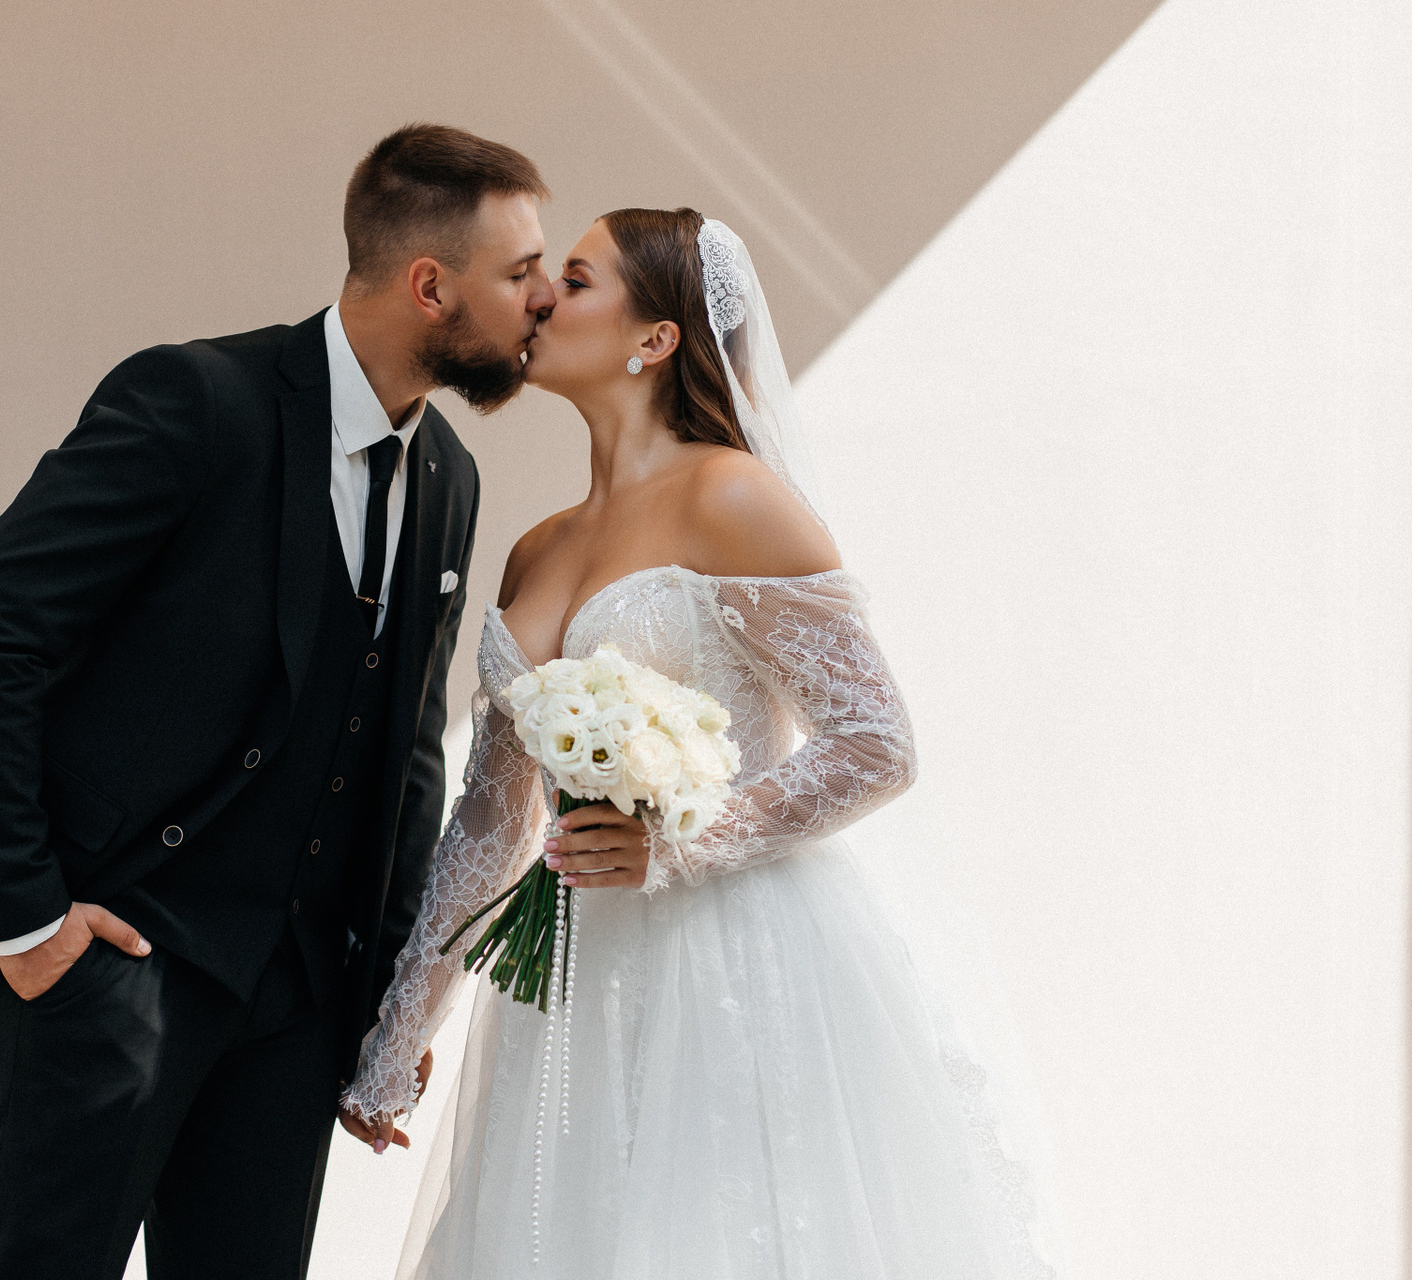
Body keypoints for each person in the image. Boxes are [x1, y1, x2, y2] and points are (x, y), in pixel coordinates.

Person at [0, 122, 556, 1280]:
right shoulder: (198, 400)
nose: (544, 297)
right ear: (430, 285)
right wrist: (31, 927)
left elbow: (403, 756)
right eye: (522, 271)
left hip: (295, 1005)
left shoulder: (449, 473)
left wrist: (382, 1006)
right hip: (111, 961)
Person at [342, 208, 1059, 1279]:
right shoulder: (537, 547)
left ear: (655, 337)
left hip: (728, 960)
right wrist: (398, 1039)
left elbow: (875, 741)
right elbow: (490, 822)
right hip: (576, 984)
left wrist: (679, 840)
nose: (539, 300)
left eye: (574, 279)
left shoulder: (732, 495)